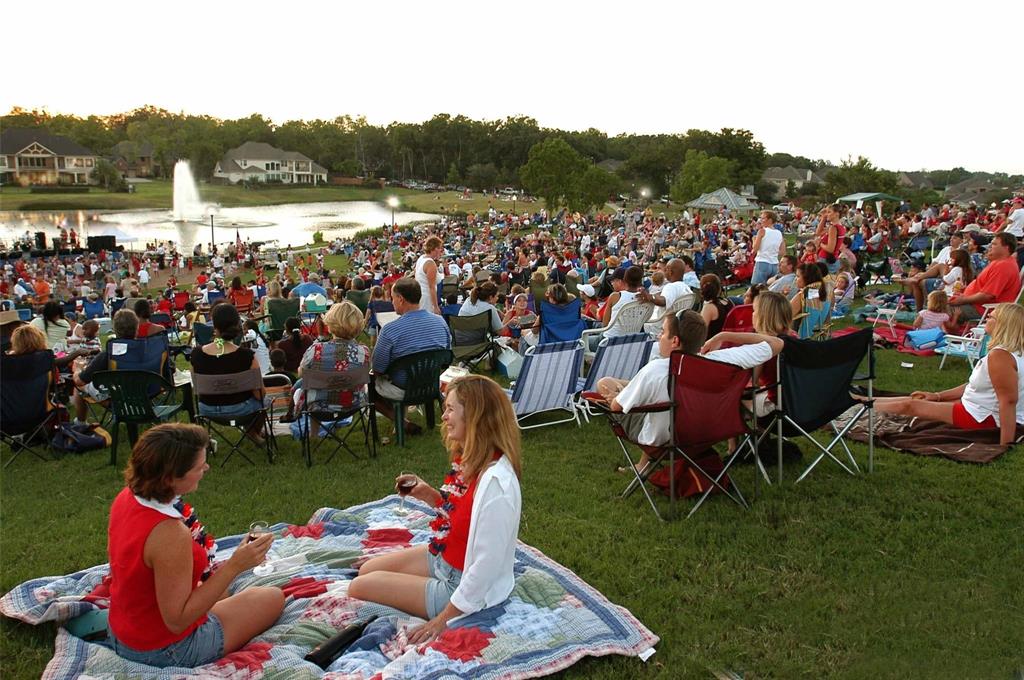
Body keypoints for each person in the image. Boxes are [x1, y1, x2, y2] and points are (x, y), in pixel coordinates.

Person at [348, 375, 522, 644]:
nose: (444, 417)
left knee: (359, 586)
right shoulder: (472, 460)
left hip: (458, 584)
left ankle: (429, 598)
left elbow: (486, 565)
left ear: (474, 417)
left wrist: (443, 619)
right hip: (442, 559)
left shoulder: (497, 484)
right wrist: (428, 494)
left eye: (451, 409)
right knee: (367, 569)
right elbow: (460, 516)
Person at [106, 423, 284, 668]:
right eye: (199, 466)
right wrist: (235, 566)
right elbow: (177, 621)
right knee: (272, 597)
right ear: (170, 478)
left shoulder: (128, 496)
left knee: (224, 592)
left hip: (124, 629)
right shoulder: (169, 533)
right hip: (163, 649)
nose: (206, 468)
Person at [595, 310, 784, 472]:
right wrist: (723, 336)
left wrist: (616, 396)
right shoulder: (724, 360)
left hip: (666, 439)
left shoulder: (654, 371)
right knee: (660, 399)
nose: (659, 336)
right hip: (709, 432)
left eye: (662, 332)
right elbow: (777, 344)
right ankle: (643, 461)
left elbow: (617, 407)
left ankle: (642, 464)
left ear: (675, 341)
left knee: (606, 384)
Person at [868, 303, 1024, 447]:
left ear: (1003, 325)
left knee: (911, 406)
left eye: (991, 317)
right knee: (916, 399)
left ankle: (860, 406)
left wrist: (1005, 444)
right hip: (979, 408)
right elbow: (976, 385)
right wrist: (937, 396)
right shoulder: (1014, 352)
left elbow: (1008, 401)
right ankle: (862, 400)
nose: (987, 318)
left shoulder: (1001, 356)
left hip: (982, 417)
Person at [371, 278, 451, 434]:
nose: (391, 302)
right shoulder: (440, 322)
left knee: (370, 386)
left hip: (403, 388)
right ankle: (405, 422)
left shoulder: (390, 330)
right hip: (431, 383)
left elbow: (377, 369)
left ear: (400, 299)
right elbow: (446, 357)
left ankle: (402, 422)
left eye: (392, 298)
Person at [190, 304, 266, 441]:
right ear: (237, 323)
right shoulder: (246, 356)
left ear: (214, 324)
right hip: (240, 409)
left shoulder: (196, 354)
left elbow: (196, 386)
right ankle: (253, 432)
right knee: (266, 400)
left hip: (207, 409)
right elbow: (259, 394)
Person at [297, 301, 369, 429]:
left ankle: (314, 435)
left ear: (330, 325)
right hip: (352, 404)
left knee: (302, 388)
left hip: (318, 407)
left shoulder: (316, 350)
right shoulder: (363, 353)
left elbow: (301, 374)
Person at [72, 310, 140, 422]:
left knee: (79, 386)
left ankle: (80, 422)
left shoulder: (109, 354)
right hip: (146, 395)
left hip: (120, 399)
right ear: (137, 329)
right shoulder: (148, 349)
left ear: (115, 330)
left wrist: (77, 369)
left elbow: (80, 381)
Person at [946, 233, 1021, 331]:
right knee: (940, 301)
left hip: (984, 308)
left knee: (940, 308)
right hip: (975, 303)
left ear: (1006, 248)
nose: (990, 247)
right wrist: (965, 292)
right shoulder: (999, 262)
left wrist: (963, 300)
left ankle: (948, 339)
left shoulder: (1004, 266)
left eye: (994, 244)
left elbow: (988, 295)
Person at [751, 210, 786, 285]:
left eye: (763, 218)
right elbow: (783, 252)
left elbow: (755, 249)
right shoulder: (779, 233)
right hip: (774, 264)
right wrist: (772, 251)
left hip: (762, 262)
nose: (761, 221)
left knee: (756, 289)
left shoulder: (762, 231)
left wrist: (754, 240)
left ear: (770, 220)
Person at [415, 236, 445, 314]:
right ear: (435, 249)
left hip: (420, 295)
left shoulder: (421, 258)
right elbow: (431, 287)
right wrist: (435, 307)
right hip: (427, 298)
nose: (441, 251)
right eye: (439, 248)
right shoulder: (430, 263)